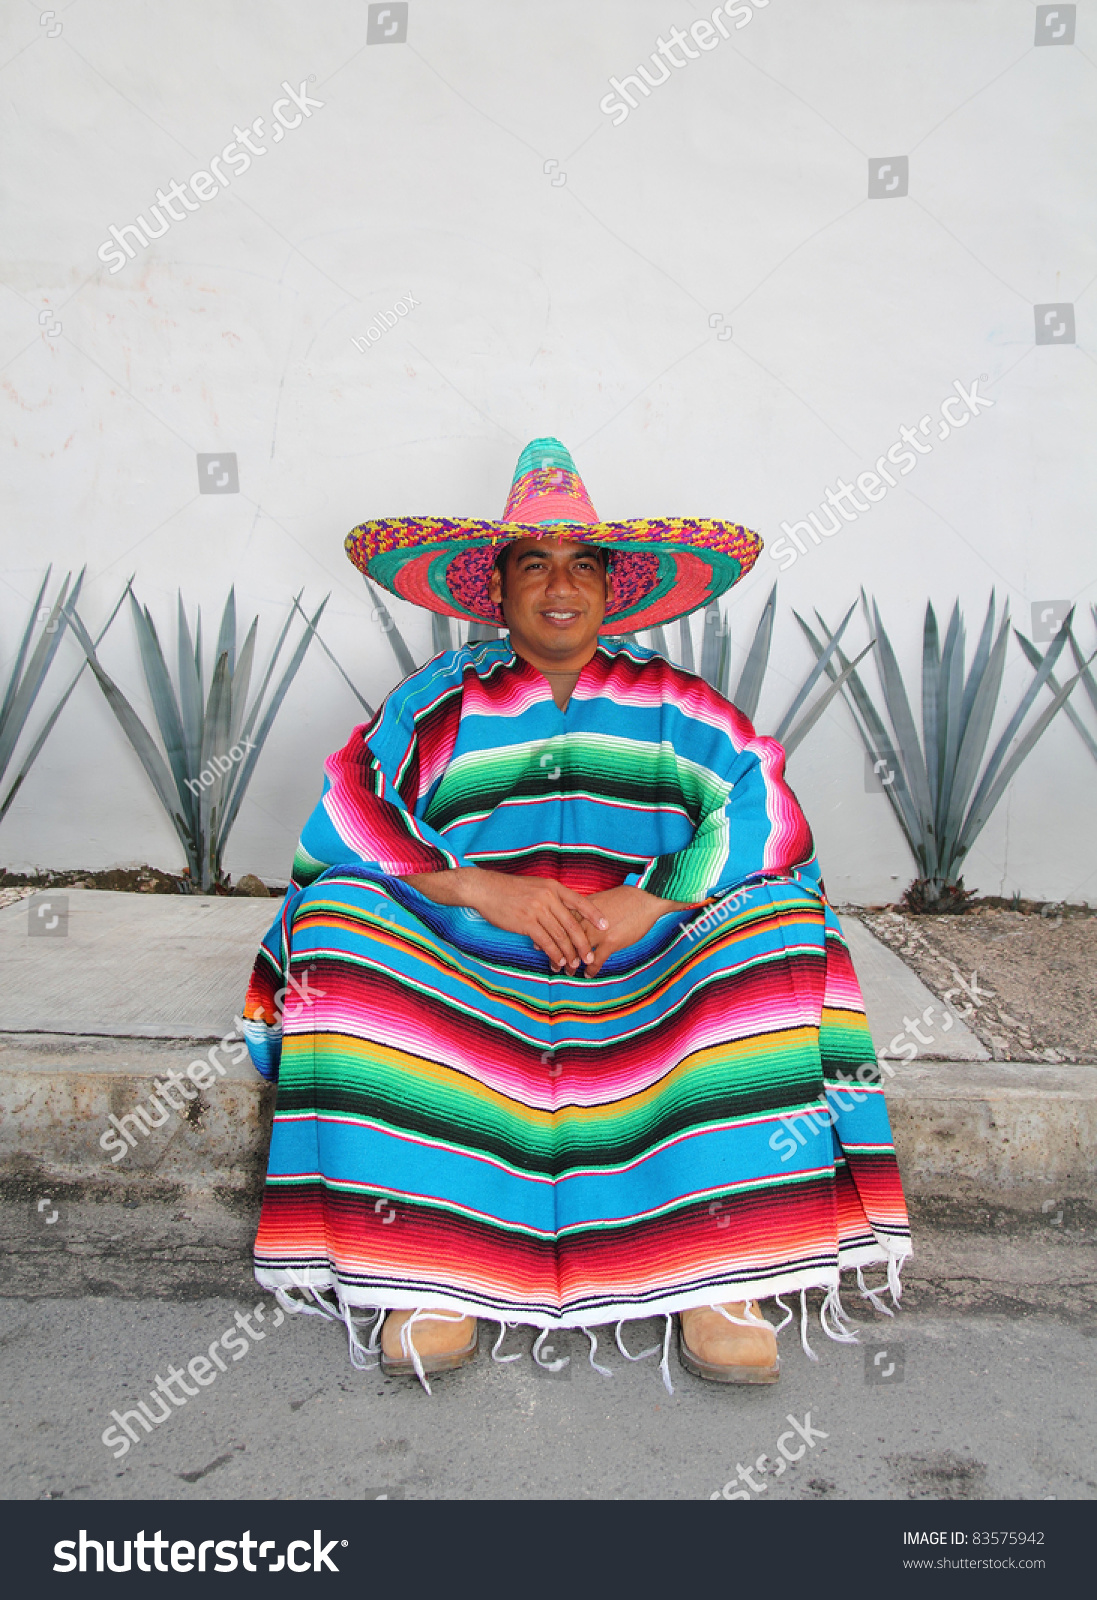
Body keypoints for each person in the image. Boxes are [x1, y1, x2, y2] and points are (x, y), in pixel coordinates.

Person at [242, 437, 911, 1393]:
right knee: (336, 926)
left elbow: (767, 809)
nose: (560, 587)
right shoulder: (438, 702)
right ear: (498, 588)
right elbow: (345, 822)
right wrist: (480, 888)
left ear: (609, 587)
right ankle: (434, 1271)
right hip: (468, 968)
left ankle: (720, 1277)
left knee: (785, 928)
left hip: (646, 966)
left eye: (581, 565)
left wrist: (652, 897)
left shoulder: (676, 703)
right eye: (534, 566)